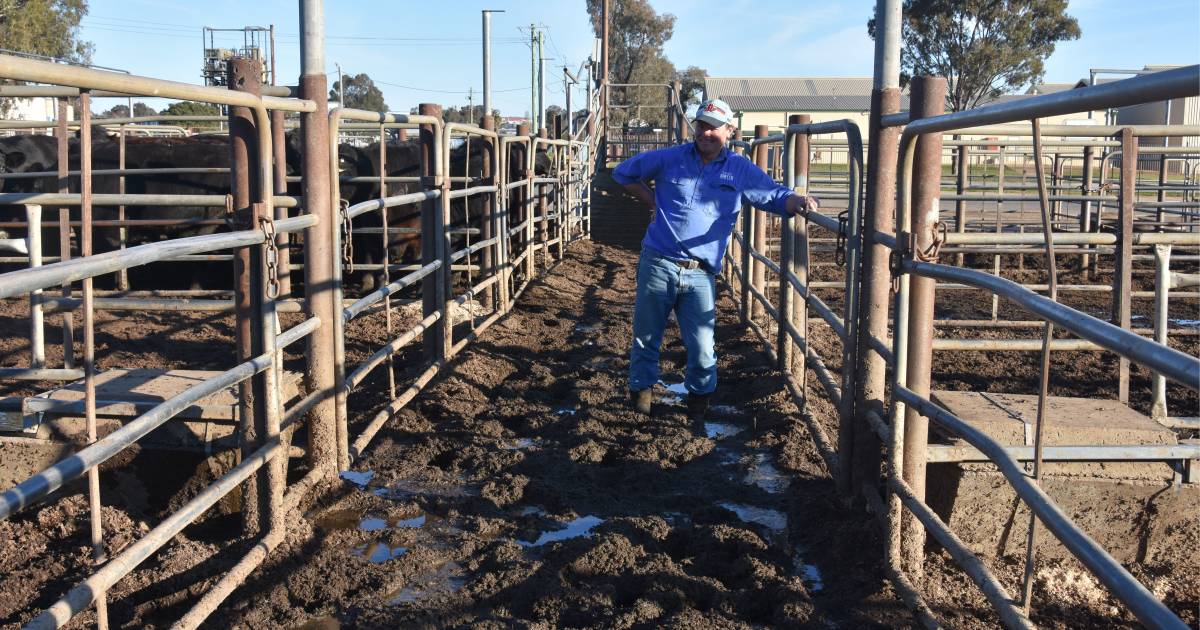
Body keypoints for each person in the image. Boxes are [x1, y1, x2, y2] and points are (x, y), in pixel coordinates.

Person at [612, 98, 819, 419]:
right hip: (659, 262)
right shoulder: (670, 158)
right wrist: (652, 201)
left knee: (703, 346)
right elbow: (624, 173)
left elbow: (773, 195)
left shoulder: (739, 169)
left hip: (700, 272)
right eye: (702, 125)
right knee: (646, 336)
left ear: (729, 131)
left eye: (714, 127)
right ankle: (640, 401)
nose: (706, 132)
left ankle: (698, 406)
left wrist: (798, 200)